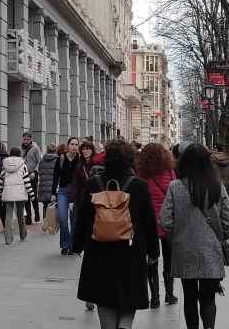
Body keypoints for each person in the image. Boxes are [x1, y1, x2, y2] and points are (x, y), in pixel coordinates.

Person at [74, 140, 159, 329]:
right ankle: (126, 324)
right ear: (130, 160)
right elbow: (149, 222)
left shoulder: (94, 183)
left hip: (98, 249)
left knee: (103, 296)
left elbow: (83, 217)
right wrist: (154, 251)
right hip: (131, 249)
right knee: (130, 293)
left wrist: (78, 244)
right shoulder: (139, 186)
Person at [160, 143, 229, 329]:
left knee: (190, 296)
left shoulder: (175, 187)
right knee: (208, 298)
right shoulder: (217, 186)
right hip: (211, 249)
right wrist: (219, 236)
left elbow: (165, 220)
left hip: (185, 250)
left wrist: (177, 236)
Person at [137, 142, 178, 308]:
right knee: (169, 260)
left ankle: (154, 297)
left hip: (149, 225)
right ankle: (170, 294)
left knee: (152, 260)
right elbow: (175, 192)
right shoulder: (169, 171)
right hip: (167, 222)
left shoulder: (141, 174)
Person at [52, 137, 81, 254]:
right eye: (72, 144)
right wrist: (53, 193)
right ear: (68, 145)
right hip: (63, 191)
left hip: (76, 193)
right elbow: (55, 177)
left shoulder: (80, 159)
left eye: (76, 144)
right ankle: (65, 244)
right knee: (63, 218)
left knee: (74, 220)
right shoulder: (61, 158)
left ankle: (72, 245)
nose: (74, 147)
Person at [0, 147, 32, 244]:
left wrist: (0, 191)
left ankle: (8, 239)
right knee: (20, 214)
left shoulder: (5, 165)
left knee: (8, 215)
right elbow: (26, 180)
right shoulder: (23, 165)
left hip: (8, 192)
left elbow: (1, 180)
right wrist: (31, 194)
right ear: (19, 154)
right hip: (20, 193)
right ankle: (22, 234)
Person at [21, 132, 43, 224]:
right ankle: (28, 218)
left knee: (33, 195)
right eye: (24, 139)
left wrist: (35, 171)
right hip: (24, 175)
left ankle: (37, 214)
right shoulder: (21, 148)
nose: (26, 141)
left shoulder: (35, 148)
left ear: (31, 139)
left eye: (27, 139)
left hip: (33, 174)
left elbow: (39, 161)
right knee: (26, 196)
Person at [37, 143, 59, 219]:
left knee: (45, 205)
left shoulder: (42, 161)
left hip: (44, 187)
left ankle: (45, 221)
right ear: (55, 150)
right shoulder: (57, 160)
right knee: (54, 206)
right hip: (53, 187)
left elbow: (40, 172)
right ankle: (52, 222)